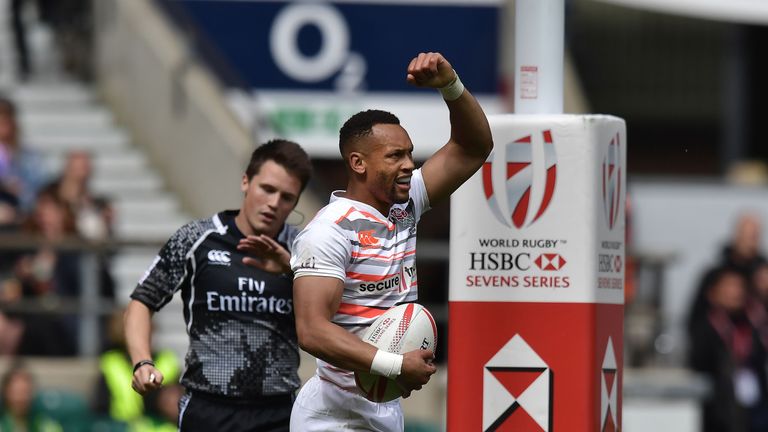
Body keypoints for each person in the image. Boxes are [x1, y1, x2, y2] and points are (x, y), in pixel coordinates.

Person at [289, 52, 493, 431]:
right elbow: (311, 330)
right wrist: (396, 365)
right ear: (358, 163)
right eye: (395, 156)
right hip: (334, 412)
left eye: (411, 154)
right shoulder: (328, 232)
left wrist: (450, 85)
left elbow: (473, 147)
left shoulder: (405, 205)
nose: (409, 165)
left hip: (385, 404)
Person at [124, 139, 312, 432]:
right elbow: (142, 301)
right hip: (207, 409)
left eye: (287, 197)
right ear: (246, 181)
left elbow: (333, 313)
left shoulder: (304, 249)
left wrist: (291, 269)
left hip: (278, 412)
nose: (274, 203)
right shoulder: (196, 238)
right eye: (267, 189)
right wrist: (141, 361)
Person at [688, 267, 768, 432]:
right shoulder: (706, 327)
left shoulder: (755, 321)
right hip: (719, 410)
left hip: (755, 406)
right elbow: (699, 363)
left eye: (739, 287)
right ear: (713, 293)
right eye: (728, 287)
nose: (735, 293)